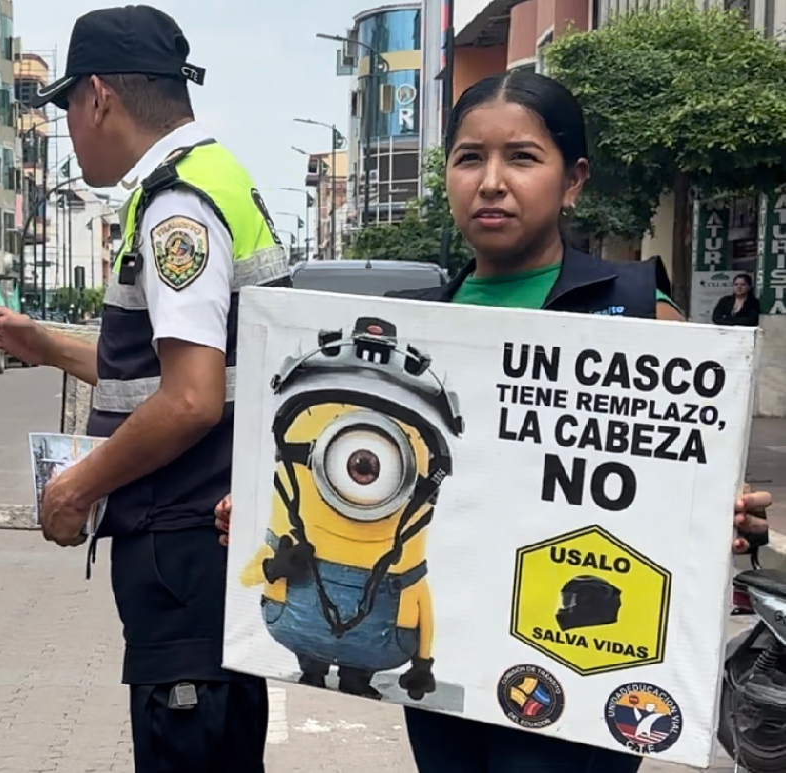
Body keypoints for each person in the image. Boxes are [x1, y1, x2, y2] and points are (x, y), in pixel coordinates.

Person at [213, 69, 773, 773]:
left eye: (522, 157)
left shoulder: (635, 312)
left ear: (571, 180)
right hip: (456, 679)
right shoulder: (423, 332)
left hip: (577, 682)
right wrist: (256, 510)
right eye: (469, 157)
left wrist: (727, 515)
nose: (491, 181)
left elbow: (693, 476)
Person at [0, 6, 287, 771]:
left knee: (189, 746)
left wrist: (76, 487)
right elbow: (171, 372)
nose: (70, 128)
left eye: (67, 107)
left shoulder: (177, 206)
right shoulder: (218, 177)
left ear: (97, 96)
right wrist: (42, 344)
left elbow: (191, 399)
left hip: (184, 537)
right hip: (213, 536)